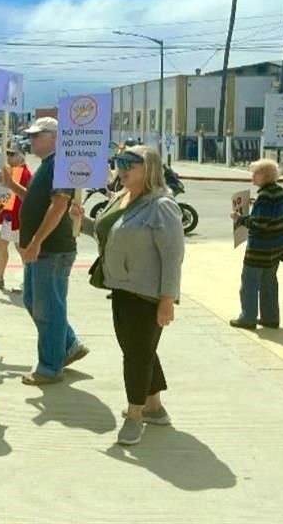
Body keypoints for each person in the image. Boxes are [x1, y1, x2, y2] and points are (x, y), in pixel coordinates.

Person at [92, 145, 184, 446]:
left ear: (150, 168)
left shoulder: (161, 205)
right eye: (119, 162)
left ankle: (135, 416)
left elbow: (173, 257)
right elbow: (110, 233)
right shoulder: (122, 197)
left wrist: (168, 300)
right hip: (121, 288)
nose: (123, 168)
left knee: (136, 356)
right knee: (139, 350)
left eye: (131, 163)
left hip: (147, 293)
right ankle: (154, 407)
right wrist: (82, 221)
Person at [1, 117, 89, 385]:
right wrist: (11, 186)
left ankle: (50, 367)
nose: (32, 140)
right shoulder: (47, 165)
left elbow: (58, 206)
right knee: (34, 301)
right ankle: (69, 345)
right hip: (42, 249)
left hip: (51, 249)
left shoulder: (59, 163)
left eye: (37, 135)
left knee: (48, 307)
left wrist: (37, 242)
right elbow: (37, 200)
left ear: (54, 137)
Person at [230, 159, 283, 330]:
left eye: (255, 173)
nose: (253, 177)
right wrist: (256, 204)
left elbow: (260, 222)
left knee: (249, 283)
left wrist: (240, 219)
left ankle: (248, 317)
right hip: (276, 247)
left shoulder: (265, 196)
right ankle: (270, 317)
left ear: (265, 176)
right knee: (269, 282)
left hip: (260, 248)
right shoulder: (280, 192)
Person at [0, 143, 32, 291]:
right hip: (10, 217)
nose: (9, 157)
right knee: (2, 244)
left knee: (21, 249)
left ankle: (29, 279)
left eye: (13, 154)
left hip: (18, 218)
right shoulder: (12, 171)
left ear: (21, 155)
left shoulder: (24, 174)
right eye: (9, 154)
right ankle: (0, 277)